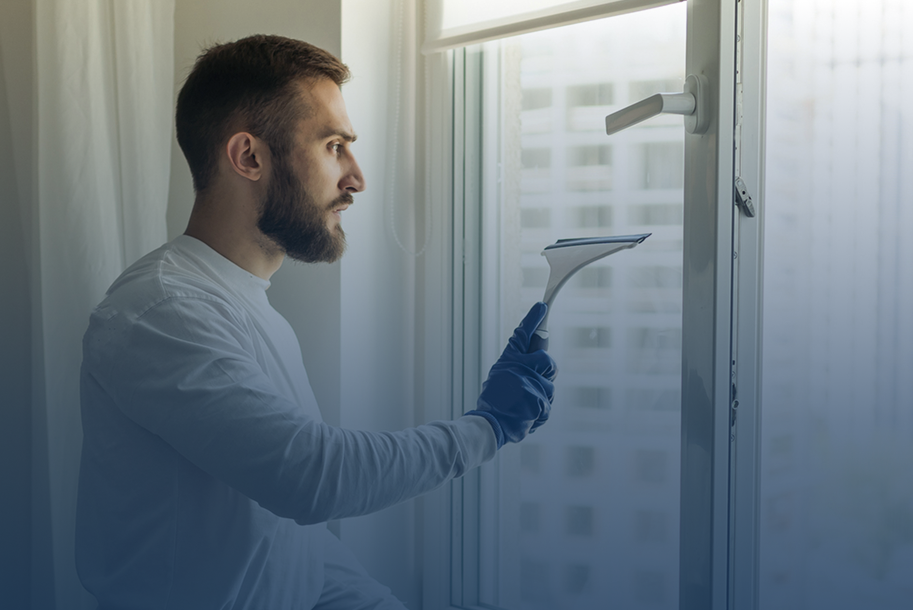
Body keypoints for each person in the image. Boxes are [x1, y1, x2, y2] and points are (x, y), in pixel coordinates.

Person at [76, 34, 557, 610]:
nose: (356, 178)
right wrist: (490, 427)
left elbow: (285, 544)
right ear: (249, 157)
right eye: (334, 146)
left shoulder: (250, 311)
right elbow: (312, 479)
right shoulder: (160, 312)